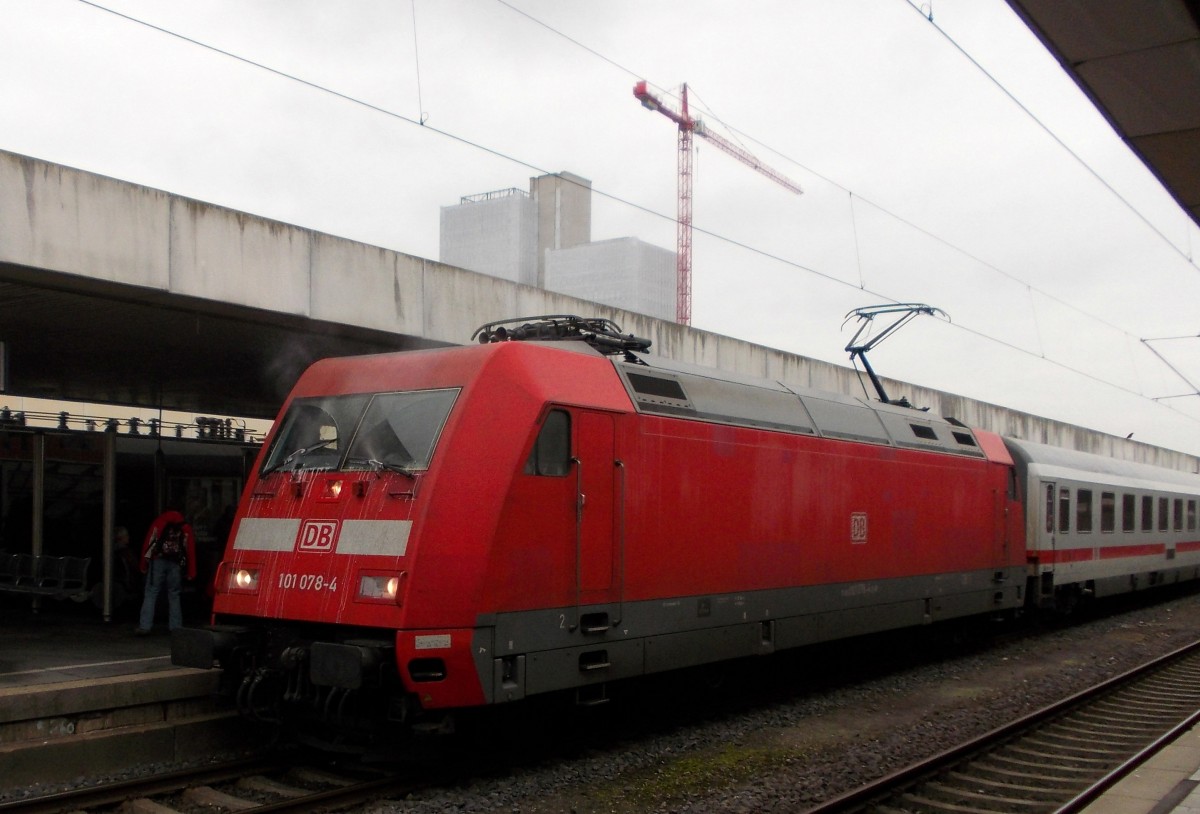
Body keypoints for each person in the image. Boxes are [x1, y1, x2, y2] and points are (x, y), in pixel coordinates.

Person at [135, 508, 197, 635]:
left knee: (151, 592)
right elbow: (190, 550)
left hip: (157, 560)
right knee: (174, 594)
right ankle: (175, 627)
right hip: (175, 563)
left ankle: (145, 626)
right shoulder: (185, 527)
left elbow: (149, 543)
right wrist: (191, 572)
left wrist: (143, 564)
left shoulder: (159, 522)